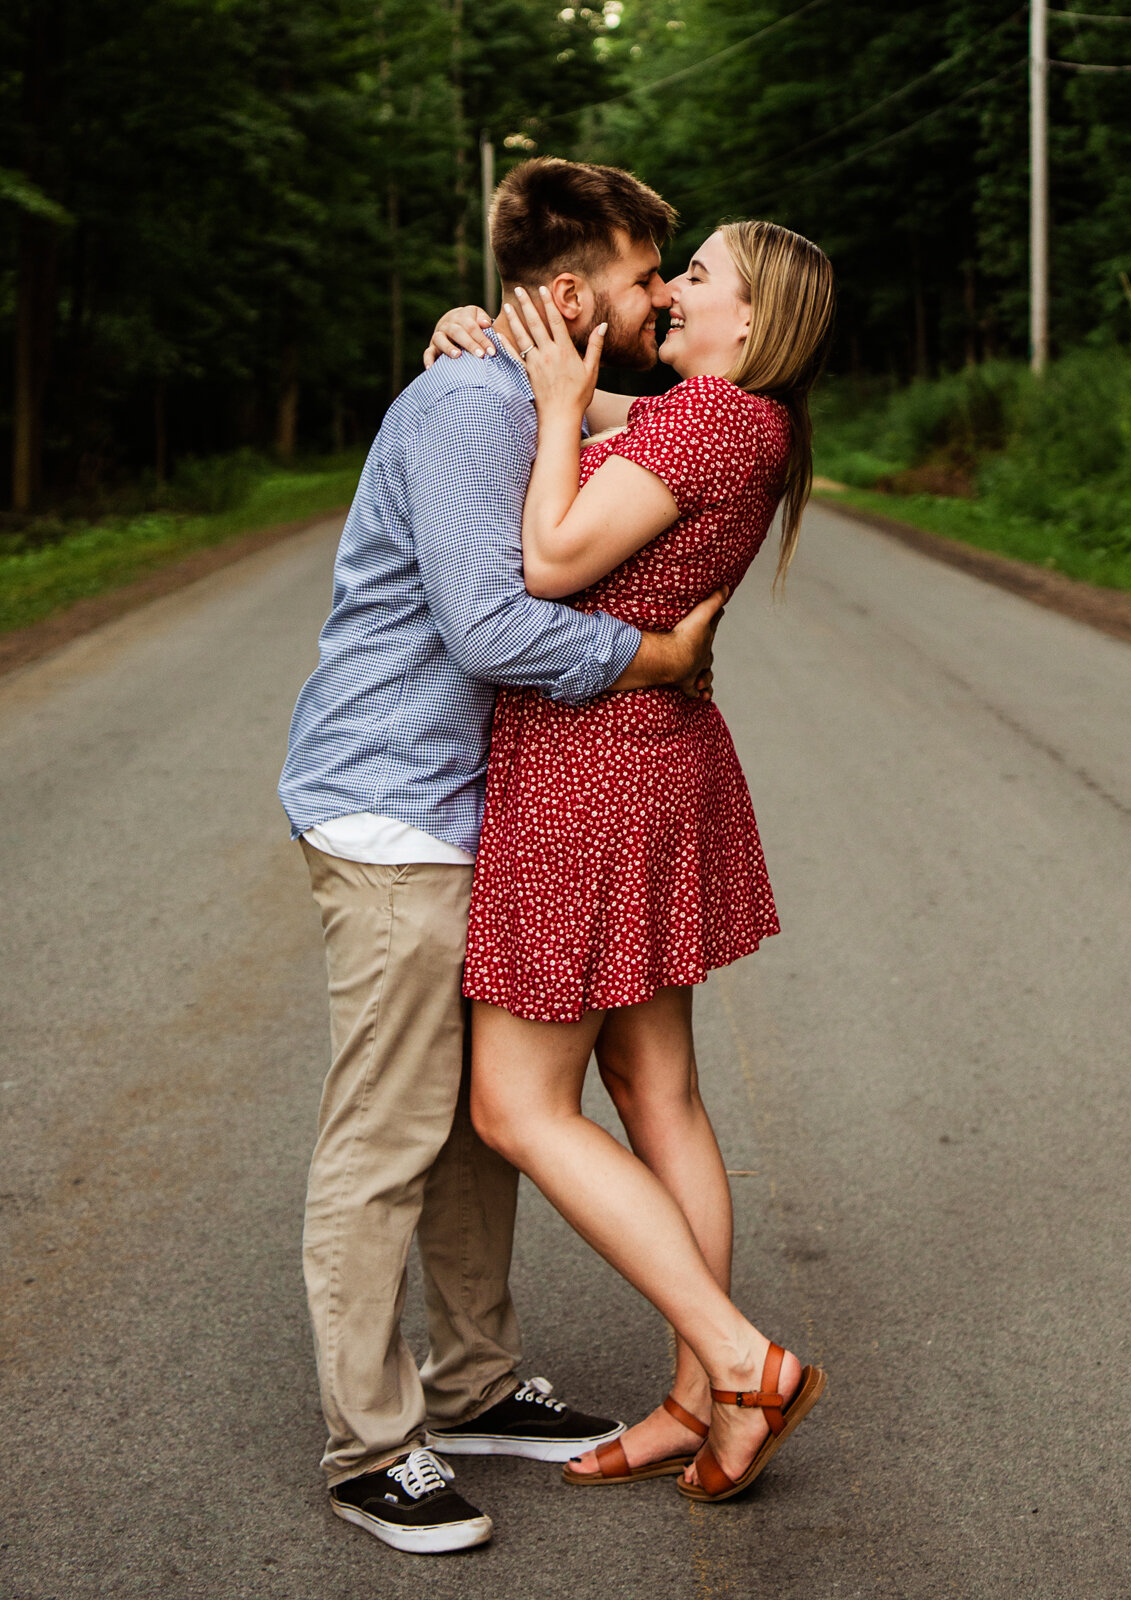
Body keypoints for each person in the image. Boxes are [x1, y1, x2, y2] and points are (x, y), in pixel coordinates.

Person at [277, 159, 726, 1556]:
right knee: (388, 1137)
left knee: (483, 1127)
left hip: (475, 812)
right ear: (571, 283)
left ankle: (472, 1386)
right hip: (396, 815)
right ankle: (372, 1447)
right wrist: (656, 657)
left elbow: (677, 440)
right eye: (648, 271)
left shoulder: (528, 395)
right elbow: (495, 631)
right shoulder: (471, 404)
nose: (661, 295)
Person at [426, 214, 836, 1503]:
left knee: (516, 1106)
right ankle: (699, 1402)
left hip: (587, 775)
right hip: (656, 759)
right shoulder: (734, 423)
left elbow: (547, 562)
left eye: (694, 276)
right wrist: (490, 345)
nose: (671, 292)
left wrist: (552, 409)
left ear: (750, 324)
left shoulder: (705, 422)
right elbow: (584, 394)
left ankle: (738, 1361)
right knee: (659, 1095)